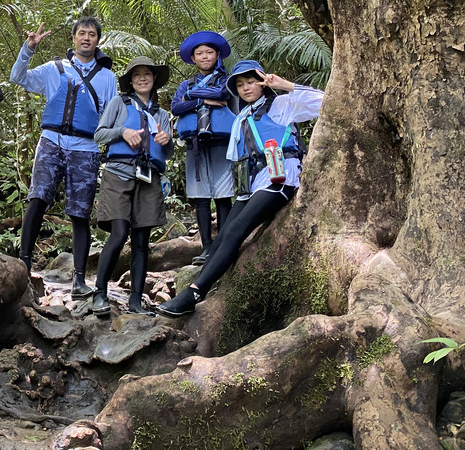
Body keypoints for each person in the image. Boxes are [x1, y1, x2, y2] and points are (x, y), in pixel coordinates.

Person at [157, 59, 323, 317]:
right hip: (253, 183)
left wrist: (285, 85)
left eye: (252, 81)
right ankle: (196, 288)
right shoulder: (242, 117)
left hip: (280, 178)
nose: (246, 88)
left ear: (263, 82)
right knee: (224, 234)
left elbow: (325, 101)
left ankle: (195, 293)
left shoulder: (282, 104)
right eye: (240, 84)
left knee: (236, 229)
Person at [10, 17, 117, 299]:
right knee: (37, 199)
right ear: (73, 38)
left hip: (86, 147)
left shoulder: (107, 78)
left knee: (80, 213)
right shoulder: (55, 69)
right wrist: (28, 49)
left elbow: (111, 116)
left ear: (97, 40)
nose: (86, 38)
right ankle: (23, 266)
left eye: (92, 34)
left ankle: (79, 280)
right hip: (51, 141)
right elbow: (18, 77)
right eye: (82, 33)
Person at [91, 56, 173, 317]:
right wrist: (122, 132)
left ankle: (136, 301)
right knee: (119, 234)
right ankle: (99, 294)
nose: (142, 78)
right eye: (137, 74)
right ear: (130, 80)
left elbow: (168, 153)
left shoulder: (162, 114)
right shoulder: (119, 103)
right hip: (118, 174)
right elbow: (99, 134)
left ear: (154, 78)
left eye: (147, 73)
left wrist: (167, 141)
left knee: (141, 241)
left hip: (148, 179)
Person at [170, 31, 236, 265]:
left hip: (220, 143)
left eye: (209, 52)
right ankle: (206, 247)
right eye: (200, 53)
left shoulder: (226, 80)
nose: (205, 56)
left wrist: (189, 98)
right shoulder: (185, 85)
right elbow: (176, 107)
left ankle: (223, 246)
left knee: (223, 195)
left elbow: (221, 94)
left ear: (217, 55)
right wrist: (201, 100)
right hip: (195, 145)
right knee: (201, 197)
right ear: (193, 58)